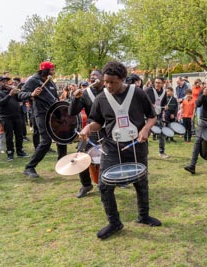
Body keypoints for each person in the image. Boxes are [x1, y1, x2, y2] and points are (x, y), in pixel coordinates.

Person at [79, 61, 161, 240]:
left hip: (136, 146)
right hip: (111, 148)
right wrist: (87, 128)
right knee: (104, 186)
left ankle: (143, 216)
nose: (108, 85)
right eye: (106, 82)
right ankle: (114, 223)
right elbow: (97, 122)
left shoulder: (138, 93)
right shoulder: (101, 98)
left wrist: (145, 129)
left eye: (112, 82)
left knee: (141, 183)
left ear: (122, 79)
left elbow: (152, 117)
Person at [21, 61, 67, 178]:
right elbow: (20, 94)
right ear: (44, 70)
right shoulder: (33, 81)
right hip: (41, 113)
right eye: (51, 70)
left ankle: (62, 163)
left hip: (54, 113)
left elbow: (55, 97)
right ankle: (29, 167)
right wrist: (32, 94)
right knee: (46, 141)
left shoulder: (50, 81)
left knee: (61, 137)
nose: (54, 72)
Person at [69, 70, 105, 198]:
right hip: (91, 130)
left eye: (96, 75)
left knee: (112, 156)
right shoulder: (85, 93)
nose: (92, 78)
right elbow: (72, 112)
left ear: (102, 77)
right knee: (81, 156)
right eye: (91, 76)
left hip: (108, 129)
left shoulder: (109, 90)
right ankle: (86, 184)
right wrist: (76, 98)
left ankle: (107, 183)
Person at [0, 76, 31, 161]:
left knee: (19, 135)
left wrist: (18, 92)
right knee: (9, 136)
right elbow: (1, 103)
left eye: (7, 81)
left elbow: (20, 98)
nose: (6, 83)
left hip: (17, 115)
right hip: (6, 117)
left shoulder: (11, 90)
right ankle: (10, 153)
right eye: (3, 81)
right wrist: (10, 95)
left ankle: (20, 151)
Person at [145, 77, 169, 159]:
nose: (157, 84)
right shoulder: (148, 90)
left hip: (158, 116)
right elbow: (143, 100)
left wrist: (166, 106)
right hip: (148, 116)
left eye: (159, 83)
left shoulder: (164, 92)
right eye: (156, 82)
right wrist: (150, 104)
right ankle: (145, 153)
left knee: (161, 133)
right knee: (146, 134)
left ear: (162, 83)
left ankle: (161, 152)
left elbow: (165, 102)